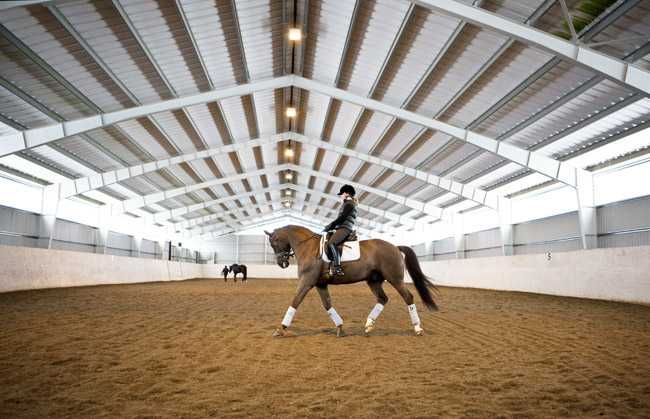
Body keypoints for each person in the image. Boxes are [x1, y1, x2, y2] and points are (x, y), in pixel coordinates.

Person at [323, 184, 358, 276]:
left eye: (341, 194)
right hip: (342, 227)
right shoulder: (347, 203)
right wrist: (333, 227)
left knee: (331, 243)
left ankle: (337, 267)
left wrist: (330, 225)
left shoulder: (349, 204)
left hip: (345, 228)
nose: (340, 196)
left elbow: (342, 218)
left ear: (346, 193)